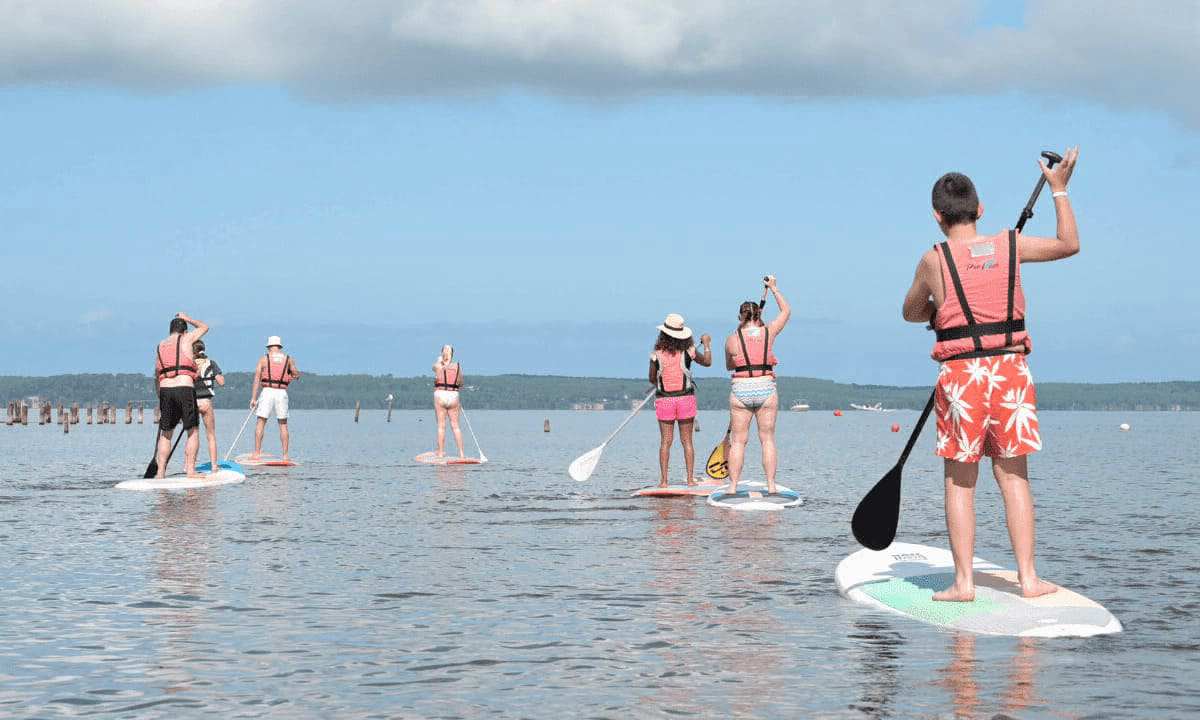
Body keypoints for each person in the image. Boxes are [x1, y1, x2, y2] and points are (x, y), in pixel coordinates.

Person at [902, 147, 1079, 602]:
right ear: (980, 210)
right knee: (1014, 477)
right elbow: (1068, 245)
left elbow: (910, 312)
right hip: (1010, 372)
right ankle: (1029, 579)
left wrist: (940, 309)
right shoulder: (1011, 244)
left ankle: (963, 584)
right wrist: (1058, 190)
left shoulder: (932, 259)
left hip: (961, 377)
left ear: (938, 216)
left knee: (960, 482)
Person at [724, 275, 790, 494]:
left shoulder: (731, 339)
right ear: (759, 315)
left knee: (739, 441)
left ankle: (732, 487)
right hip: (765, 388)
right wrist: (774, 288)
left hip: (741, 390)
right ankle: (771, 486)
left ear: (740, 316)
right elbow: (786, 312)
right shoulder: (768, 331)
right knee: (767, 439)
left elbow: (729, 366)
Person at [649, 314, 712, 487]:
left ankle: (664, 482)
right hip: (685, 399)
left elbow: (652, 378)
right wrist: (706, 344)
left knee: (665, 442)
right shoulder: (690, 352)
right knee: (687, 442)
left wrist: (663, 380)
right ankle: (690, 480)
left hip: (665, 401)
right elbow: (707, 362)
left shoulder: (656, 355)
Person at [153, 313, 208, 478]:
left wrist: (159, 395)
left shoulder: (161, 345)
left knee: (166, 432)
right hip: (184, 387)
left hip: (165, 390)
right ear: (184, 331)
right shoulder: (187, 339)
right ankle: (190, 470)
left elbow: (157, 374)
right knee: (192, 430)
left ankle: (161, 472)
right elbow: (205, 327)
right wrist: (187, 317)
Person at [250, 336, 300, 461]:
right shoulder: (288, 360)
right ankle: (285, 455)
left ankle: (257, 453)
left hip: (267, 391)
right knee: (283, 424)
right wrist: (289, 373)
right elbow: (296, 375)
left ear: (268, 347)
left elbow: (257, 379)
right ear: (280, 347)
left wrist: (253, 398)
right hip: (281, 392)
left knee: (261, 421)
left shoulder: (263, 359)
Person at [192, 339, 225, 469]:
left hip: (193, 402)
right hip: (206, 401)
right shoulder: (211, 363)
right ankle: (214, 465)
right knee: (210, 435)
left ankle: (188, 466)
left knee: (193, 435)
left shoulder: (190, 363)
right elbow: (222, 382)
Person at [432, 345, 465, 458]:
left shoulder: (438, 365)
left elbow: (436, 369)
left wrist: (440, 361)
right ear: (453, 354)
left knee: (441, 426)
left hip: (440, 395)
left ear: (442, 353)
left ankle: (440, 453)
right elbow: (460, 382)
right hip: (454, 396)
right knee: (456, 426)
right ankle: (461, 454)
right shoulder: (457, 366)